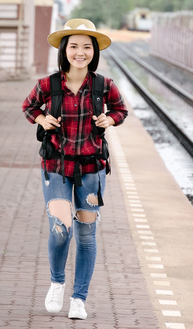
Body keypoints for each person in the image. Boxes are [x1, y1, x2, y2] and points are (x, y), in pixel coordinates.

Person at [22, 18, 128, 320]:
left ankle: (79, 298)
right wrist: (41, 119)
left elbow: (121, 110)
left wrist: (111, 120)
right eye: (74, 46)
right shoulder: (48, 85)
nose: (79, 52)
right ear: (64, 50)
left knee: (86, 234)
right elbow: (28, 107)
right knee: (61, 229)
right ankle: (57, 282)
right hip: (55, 165)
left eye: (86, 47)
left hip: (92, 167)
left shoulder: (103, 85)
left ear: (93, 51)